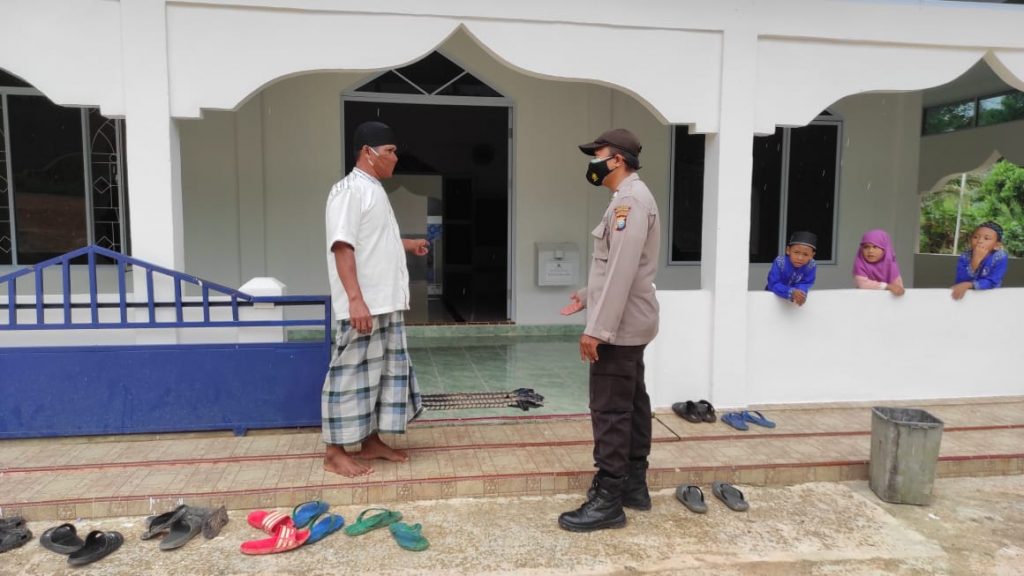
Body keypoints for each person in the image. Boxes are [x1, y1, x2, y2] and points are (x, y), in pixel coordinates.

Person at [558, 128, 660, 532]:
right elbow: (621, 267)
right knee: (631, 403)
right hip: (630, 320)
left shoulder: (630, 202)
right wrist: (588, 295)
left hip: (618, 327)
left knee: (611, 410)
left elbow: (621, 269)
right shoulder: (629, 198)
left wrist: (597, 329)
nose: (593, 163)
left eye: (597, 155)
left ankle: (608, 500)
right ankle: (633, 485)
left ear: (616, 160)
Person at [321, 121, 429, 477]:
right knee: (349, 375)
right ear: (368, 152)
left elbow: (375, 240)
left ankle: (370, 441)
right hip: (364, 305)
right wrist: (355, 300)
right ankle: (334, 452)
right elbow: (342, 246)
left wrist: (408, 245)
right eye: (390, 151)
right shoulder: (349, 191)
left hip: (385, 303)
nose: (395, 157)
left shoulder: (373, 190)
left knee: (379, 376)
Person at [951, 221, 1008, 300]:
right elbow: (960, 280)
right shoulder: (965, 256)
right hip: (965, 297)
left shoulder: (1000, 257)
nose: (979, 241)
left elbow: (993, 282)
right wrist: (975, 261)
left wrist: (970, 284)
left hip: (989, 297)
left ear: (996, 245)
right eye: (976, 237)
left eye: (986, 238)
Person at [765, 231, 818, 306]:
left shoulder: (811, 265)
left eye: (805, 254)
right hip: (773, 297)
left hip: (795, 300)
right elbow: (773, 284)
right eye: (796, 252)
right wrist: (791, 292)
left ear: (812, 255)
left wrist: (800, 292)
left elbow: (806, 282)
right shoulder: (780, 261)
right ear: (788, 250)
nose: (800, 258)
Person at [852, 229, 905, 296]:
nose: (870, 251)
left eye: (875, 247)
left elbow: (898, 287)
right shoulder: (860, 264)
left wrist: (897, 289)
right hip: (865, 298)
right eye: (866, 247)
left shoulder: (890, 265)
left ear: (884, 249)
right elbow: (862, 284)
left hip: (886, 300)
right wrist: (887, 286)